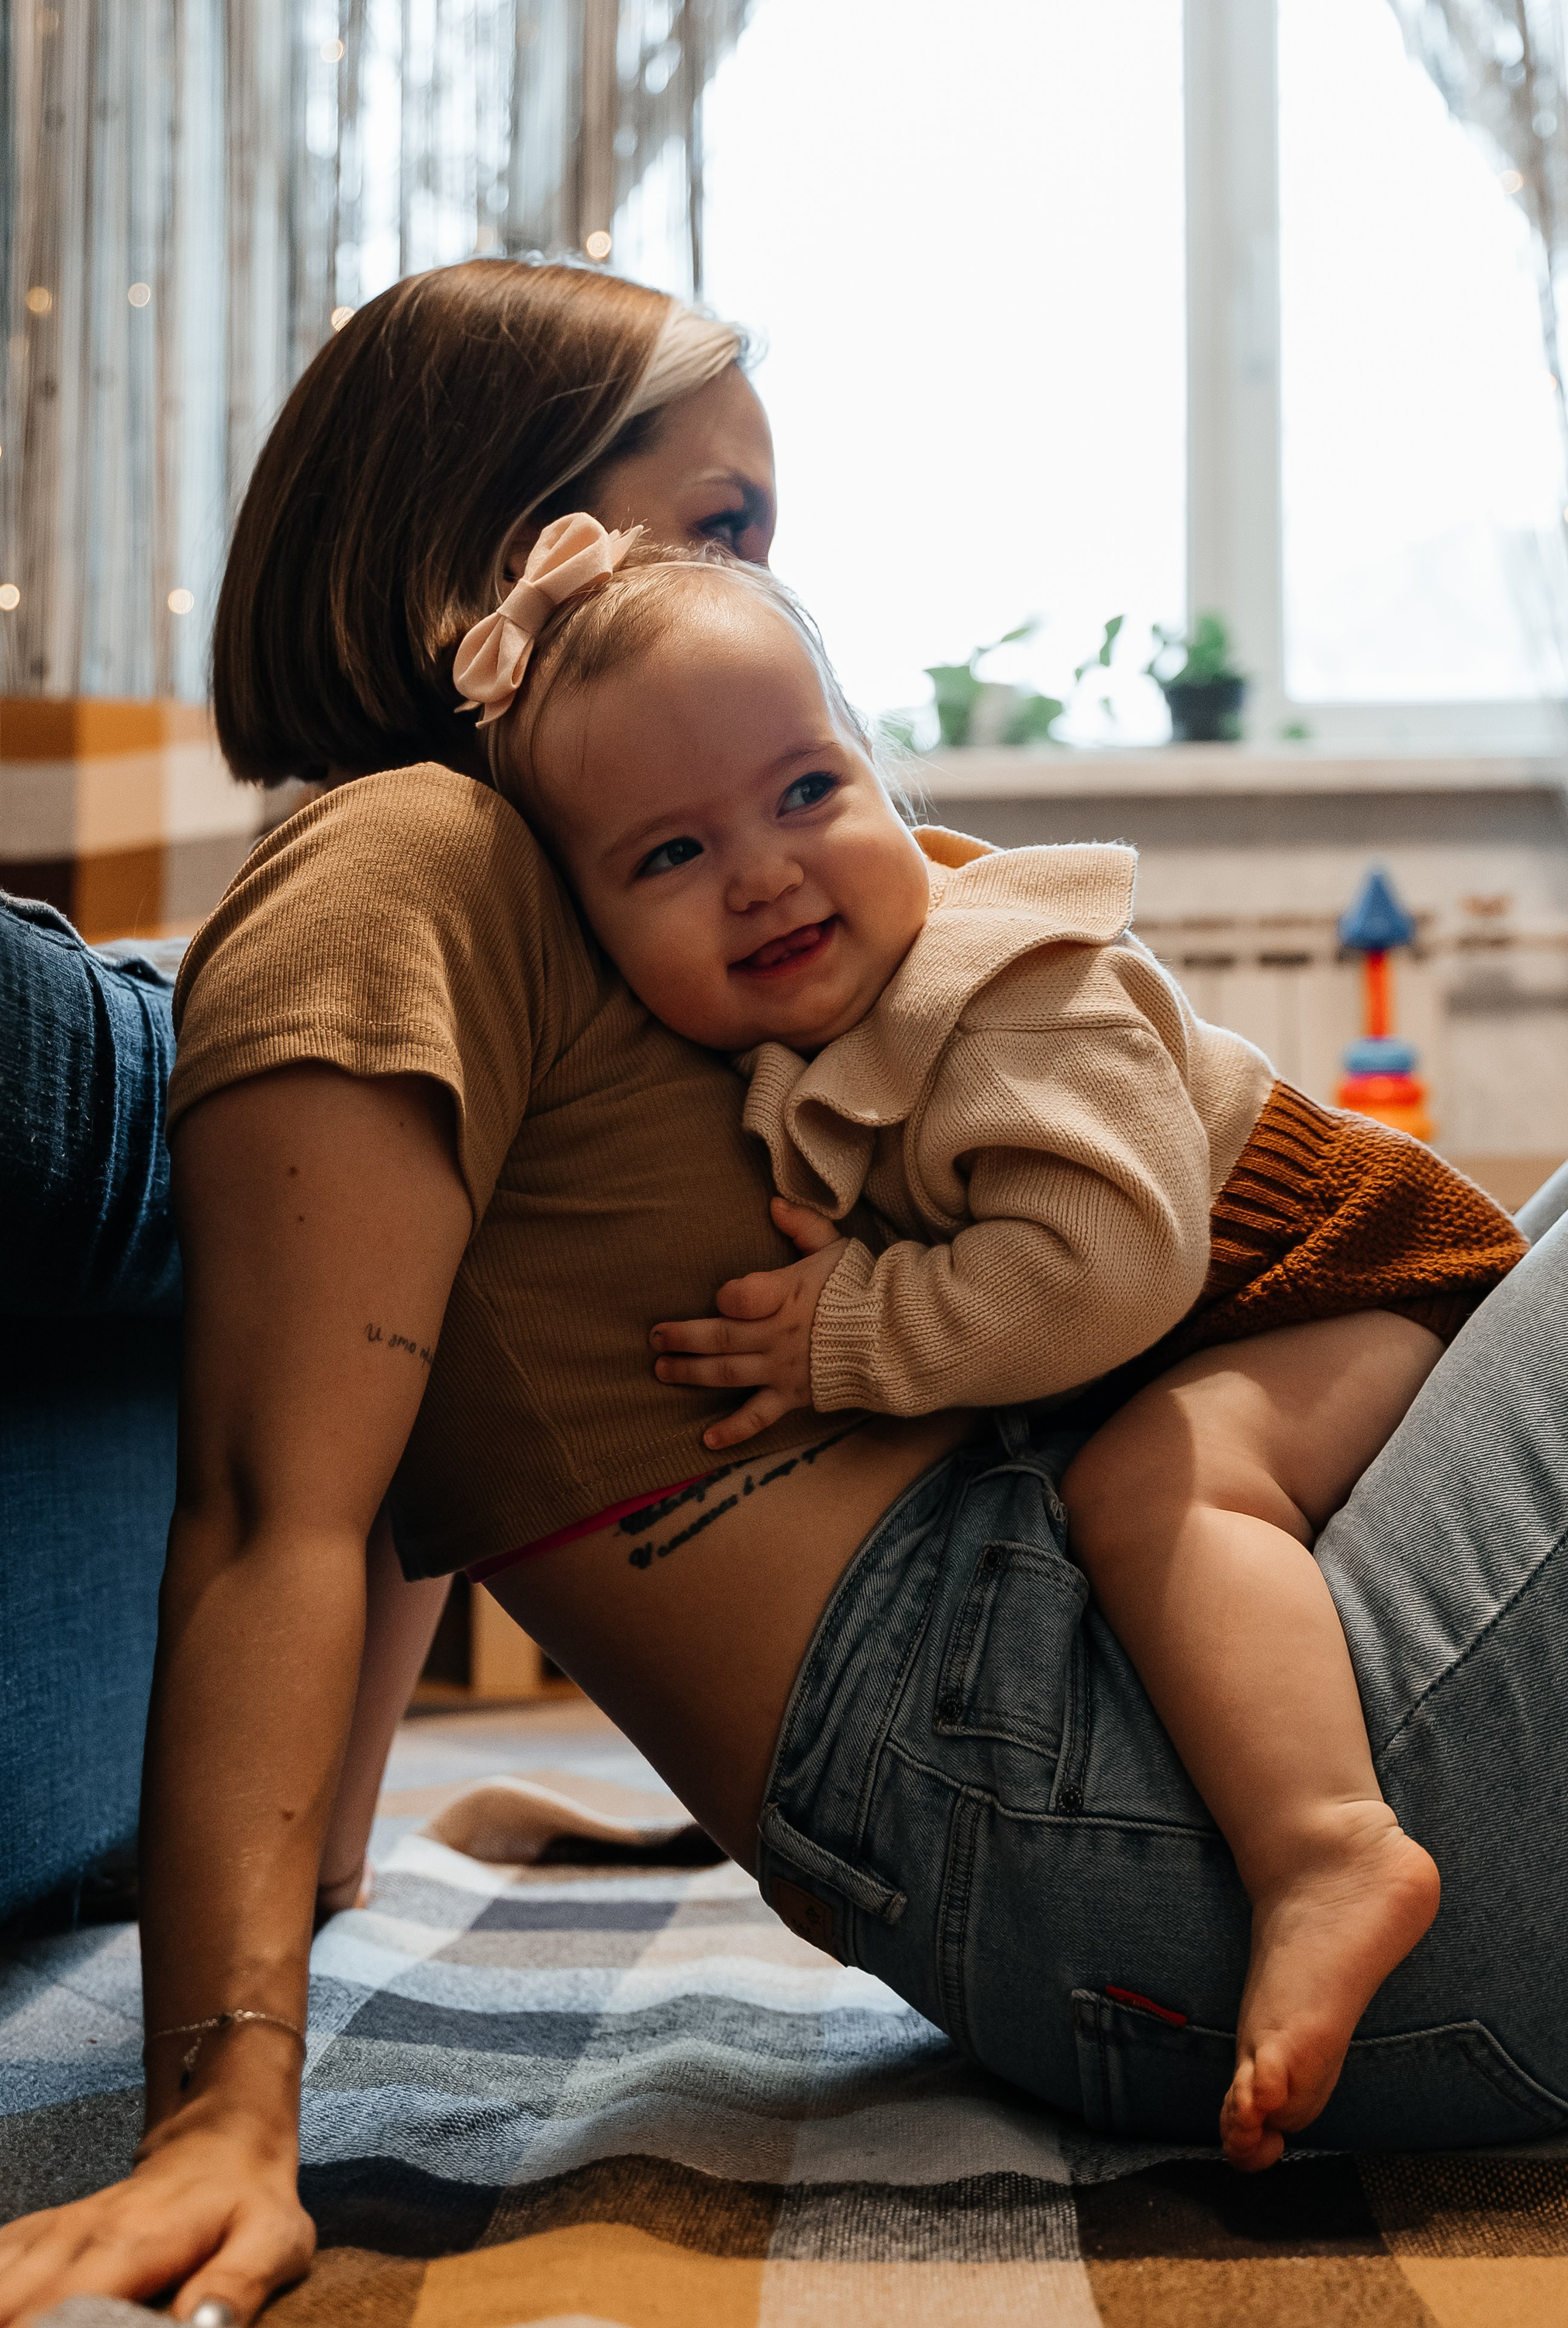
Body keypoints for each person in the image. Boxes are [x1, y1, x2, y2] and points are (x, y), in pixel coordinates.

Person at [0, 256, 1568, 2328]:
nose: (759, 593)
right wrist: (222, 2102)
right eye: (720, 527)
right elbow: (277, 1500)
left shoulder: (554, 910)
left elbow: (406, 1468)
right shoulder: (397, 870)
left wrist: (325, 1853)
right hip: (1112, 1815)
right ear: (506, 544)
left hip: (1115, 1758)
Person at [454, 523, 1523, 2168]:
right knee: (1137, 1477)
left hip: (1349, 1284)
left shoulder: (996, 982)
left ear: (881, 775)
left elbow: (1109, 1258)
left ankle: (1325, 1847)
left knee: (1161, 1491)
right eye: (667, 855)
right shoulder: (817, 1034)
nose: (758, 870)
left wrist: (858, 1329)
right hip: (1233, 1314)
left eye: (804, 790)